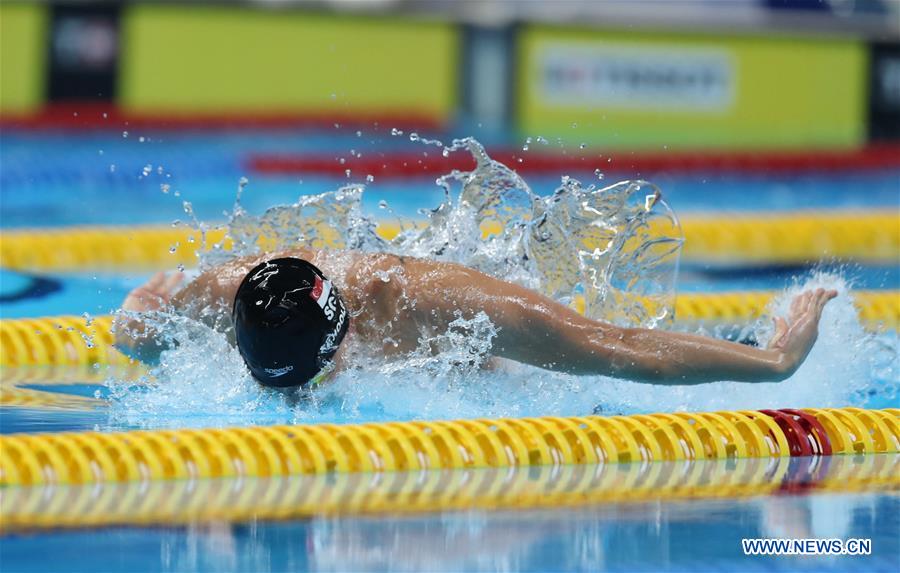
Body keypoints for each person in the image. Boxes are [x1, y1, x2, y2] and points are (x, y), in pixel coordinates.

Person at [115, 246, 837, 389]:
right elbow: (147, 310)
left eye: (312, 376)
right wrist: (134, 325)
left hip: (490, 352)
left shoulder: (444, 308)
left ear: (344, 342)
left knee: (582, 348)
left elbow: (616, 346)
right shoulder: (236, 292)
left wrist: (776, 362)